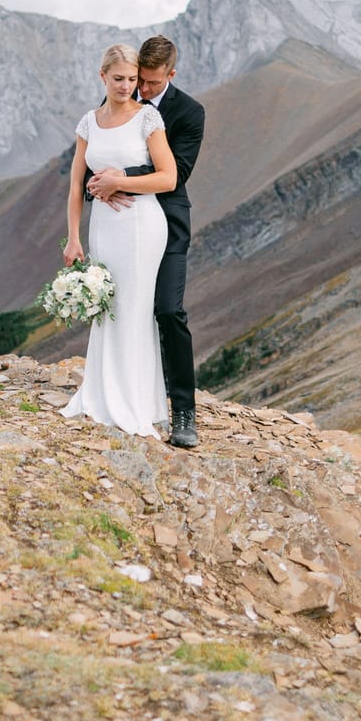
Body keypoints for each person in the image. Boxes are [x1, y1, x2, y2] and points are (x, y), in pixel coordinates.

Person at [87, 35, 206, 447]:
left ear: (170, 75)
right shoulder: (121, 98)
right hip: (118, 222)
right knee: (123, 308)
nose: (141, 90)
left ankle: (184, 412)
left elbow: (179, 173)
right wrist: (98, 184)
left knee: (168, 311)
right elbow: (95, 152)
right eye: (139, 81)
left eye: (151, 83)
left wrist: (116, 178)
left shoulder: (189, 113)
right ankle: (125, 397)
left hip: (167, 222)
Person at [61, 44, 179, 438]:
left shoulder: (148, 117)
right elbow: (77, 184)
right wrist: (73, 238)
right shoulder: (89, 122)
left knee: (133, 306)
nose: (127, 86)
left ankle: (136, 403)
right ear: (102, 76)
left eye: (132, 79)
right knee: (107, 306)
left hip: (142, 224)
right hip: (103, 228)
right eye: (119, 79)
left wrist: (117, 182)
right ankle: (102, 392)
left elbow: (168, 178)